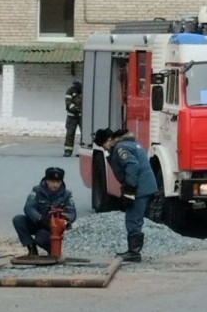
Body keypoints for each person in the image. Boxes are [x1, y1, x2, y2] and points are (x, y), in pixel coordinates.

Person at [93, 127, 158, 262]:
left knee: (133, 218)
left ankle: (134, 252)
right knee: (134, 217)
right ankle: (133, 250)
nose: (105, 149)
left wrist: (129, 189)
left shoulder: (120, 148)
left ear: (109, 140)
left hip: (140, 188)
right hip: (145, 186)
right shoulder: (130, 143)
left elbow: (132, 166)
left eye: (104, 145)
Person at [12, 167, 77, 256]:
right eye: (52, 182)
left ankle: (52, 250)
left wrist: (65, 221)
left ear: (61, 182)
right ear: (46, 181)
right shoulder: (37, 191)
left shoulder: (66, 195)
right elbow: (28, 208)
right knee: (18, 219)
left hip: (50, 227)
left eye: (58, 182)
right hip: (37, 221)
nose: (55, 185)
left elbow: (72, 213)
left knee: (41, 239)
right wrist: (39, 218)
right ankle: (31, 248)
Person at [64, 80, 83, 157]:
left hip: (82, 116)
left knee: (85, 135)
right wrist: (76, 108)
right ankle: (68, 150)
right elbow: (68, 103)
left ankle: (82, 152)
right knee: (70, 134)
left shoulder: (85, 90)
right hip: (72, 116)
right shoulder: (70, 91)